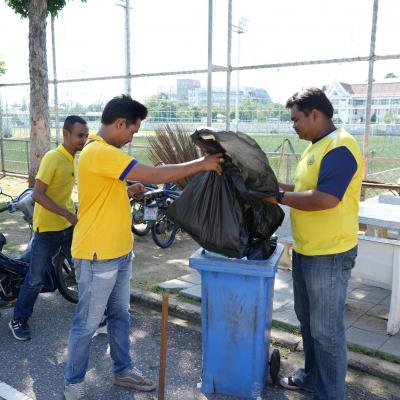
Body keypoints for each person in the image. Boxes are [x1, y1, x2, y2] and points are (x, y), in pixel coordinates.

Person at [63, 94, 222, 400]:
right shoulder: (98, 151)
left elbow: (103, 193)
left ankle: (123, 370)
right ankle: (73, 382)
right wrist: (203, 164)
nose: (131, 138)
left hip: (120, 252)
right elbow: (155, 174)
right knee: (87, 323)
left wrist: (126, 191)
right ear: (120, 123)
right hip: (97, 256)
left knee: (120, 315)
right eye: (132, 131)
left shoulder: (104, 154)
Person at [263, 87, 363, 400]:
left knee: (326, 331)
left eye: (297, 119)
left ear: (315, 114)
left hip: (330, 253)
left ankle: (330, 394)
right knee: (308, 323)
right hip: (307, 249)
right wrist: (272, 188)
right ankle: (311, 378)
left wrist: (278, 197)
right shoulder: (314, 147)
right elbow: (302, 190)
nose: (293, 125)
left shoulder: (340, 146)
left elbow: (325, 199)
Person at [9, 116, 89, 341]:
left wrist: (73, 213)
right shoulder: (53, 158)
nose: (83, 140)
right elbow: (38, 194)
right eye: (79, 135)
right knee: (35, 278)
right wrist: (67, 214)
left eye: (85, 135)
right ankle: (18, 319)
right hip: (47, 230)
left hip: (68, 227)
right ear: (66, 134)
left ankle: (94, 315)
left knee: (81, 269)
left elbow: (62, 193)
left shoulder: (72, 158)